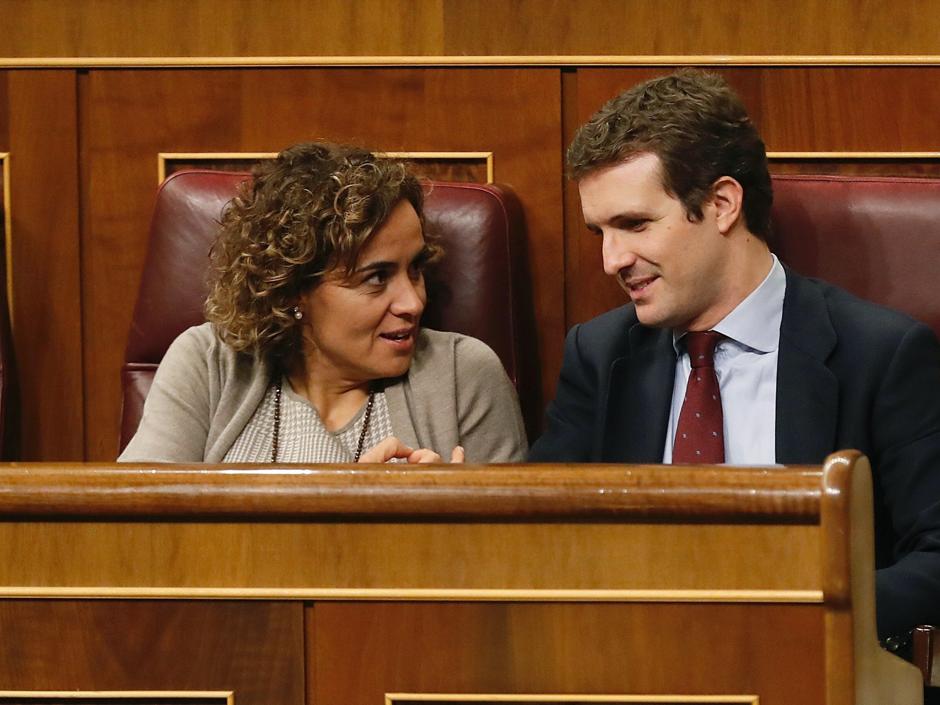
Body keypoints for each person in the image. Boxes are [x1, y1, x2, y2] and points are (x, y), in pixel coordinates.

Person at [528, 69, 940, 641]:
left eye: (634, 225)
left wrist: (791, 616)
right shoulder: (599, 356)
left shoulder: (881, 355)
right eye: (599, 232)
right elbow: (533, 530)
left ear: (722, 204)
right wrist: (436, 505)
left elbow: (935, 558)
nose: (611, 260)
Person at [120, 142, 526, 465]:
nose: (413, 302)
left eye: (415, 269)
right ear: (293, 288)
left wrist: (449, 523)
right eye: (377, 277)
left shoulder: (464, 376)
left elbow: (515, 560)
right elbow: (136, 539)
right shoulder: (209, 363)